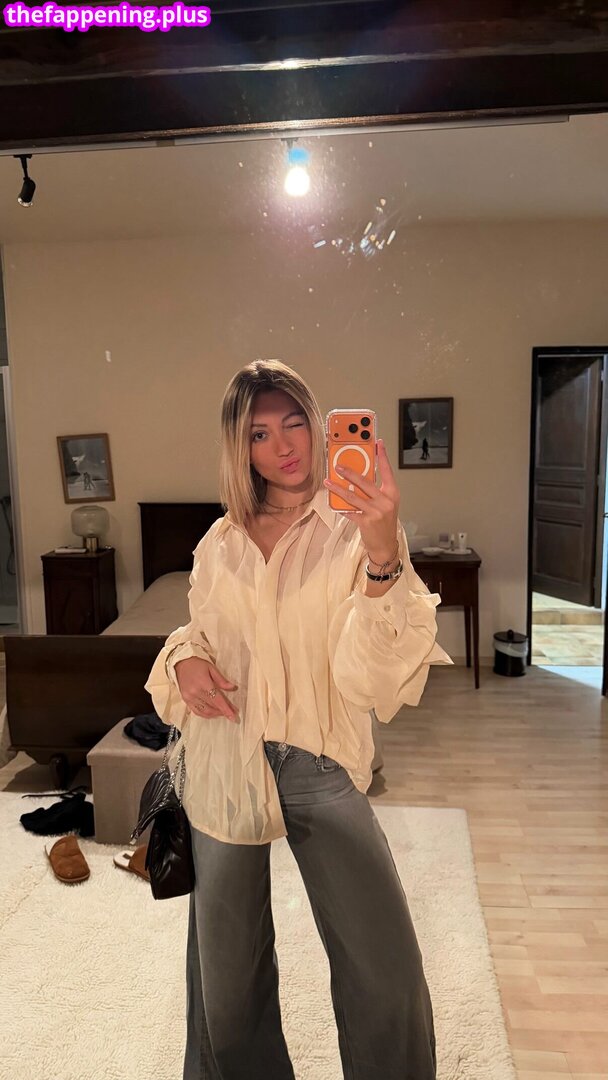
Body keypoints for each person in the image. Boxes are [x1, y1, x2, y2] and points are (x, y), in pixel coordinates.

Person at [145, 359, 453, 1080]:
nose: (282, 445)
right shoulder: (219, 543)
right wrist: (185, 658)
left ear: (319, 426)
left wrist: (383, 550)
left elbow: (372, 678)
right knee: (227, 982)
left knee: (384, 968)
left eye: (294, 423)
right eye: (259, 433)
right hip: (227, 758)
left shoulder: (355, 531)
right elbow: (201, 633)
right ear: (240, 447)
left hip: (318, 759)